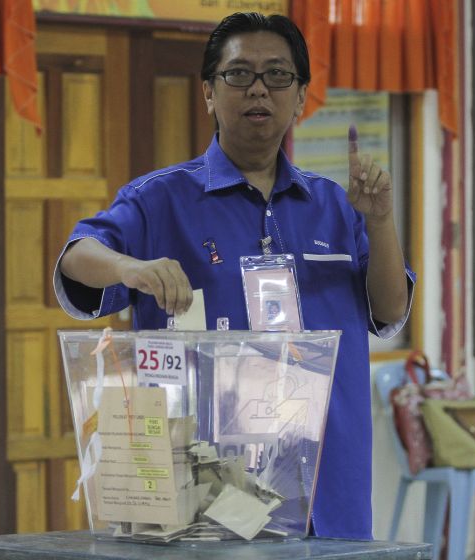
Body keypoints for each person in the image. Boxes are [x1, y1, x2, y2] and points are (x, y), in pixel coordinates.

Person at [53, 12, 414, 539]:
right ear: (208, 92)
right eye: (239, 74)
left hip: (329, 496)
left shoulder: (335, 207)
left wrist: (380, 220)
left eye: (278, 75)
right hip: (202, 496)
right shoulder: (160, 200)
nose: (259, 90)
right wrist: (132, 267)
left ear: (301, 95)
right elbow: (76, 256)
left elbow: (389, 310)